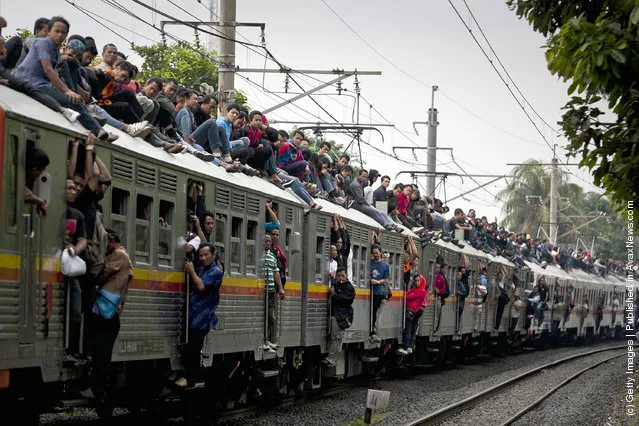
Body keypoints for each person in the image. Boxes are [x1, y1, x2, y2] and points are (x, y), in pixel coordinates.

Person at [80, 228, 131, 405]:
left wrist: (89, 281)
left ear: (110, 239)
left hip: (107, 312)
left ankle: (98, 390)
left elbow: (104, 274)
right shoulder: (120, 254)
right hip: (107, 311)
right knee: (100, 351)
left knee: (101, 352)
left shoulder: (119, 254)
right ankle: (98, 389)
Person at [175, 243, 223, 388]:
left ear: (213, 255)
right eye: (200, 255)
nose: (202, 258)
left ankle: (190, 379)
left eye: (205, 255)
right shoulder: (202, 268)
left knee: (194, 348)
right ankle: (187, 376)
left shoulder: (215, 272)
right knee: (189, 347)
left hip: (203, 318)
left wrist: (191, 271)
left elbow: (201, 286)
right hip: (193, 314)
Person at [62, 179, 87, 364]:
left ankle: (70, 348)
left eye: (74, 189)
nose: (73, 192)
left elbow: (82, 240)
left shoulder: (76, 214)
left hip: (69, 268)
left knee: (76, 311)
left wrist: (75, 250)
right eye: (69, 188)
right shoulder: (52, 211)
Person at [323, 267, 355, 365]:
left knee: (336, 337)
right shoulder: (335, 284)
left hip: (341, 316)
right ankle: (331, 357)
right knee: (332, 337)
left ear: (346, 276)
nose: (341, 278)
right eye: (339, 276)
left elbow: (345, 300)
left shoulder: (349, 288)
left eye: (343, 276)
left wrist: (334, 294)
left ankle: (331, 358)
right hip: (333, 314)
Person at [263, 234, 284, 351]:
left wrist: (280, 288)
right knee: (262, 316)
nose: (268, 242)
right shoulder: (260, 255)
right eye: (266, 240)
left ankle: (267, 339)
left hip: (270, 292)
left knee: (271, 316)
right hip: (261, 291)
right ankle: (263, 340)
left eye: (269, 241)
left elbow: (276, 273)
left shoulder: (272, 256)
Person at [398, 272, 426, 355]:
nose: (416, 282)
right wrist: (409, 293)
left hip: (411, 311)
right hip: (412, 311)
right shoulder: (415, 289)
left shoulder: (421, 291)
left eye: (418, 280)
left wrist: (408, 294)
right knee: (411, 329)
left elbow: (407, 296)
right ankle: (409, 346)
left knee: (408, 329)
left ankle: (406, 347)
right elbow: (408, 294)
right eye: (415, 280)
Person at [369, 244, 390, 343]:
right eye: (373, 253)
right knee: (371, 312)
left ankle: (374, 332)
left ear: (380, 252)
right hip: (370, 292)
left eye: (377, 253)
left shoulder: (385, 266)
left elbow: (386, 280)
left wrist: (377, 282)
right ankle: (371, 331)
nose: (375, 255)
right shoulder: (370, 263)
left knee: (376, 313)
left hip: (379, 292)